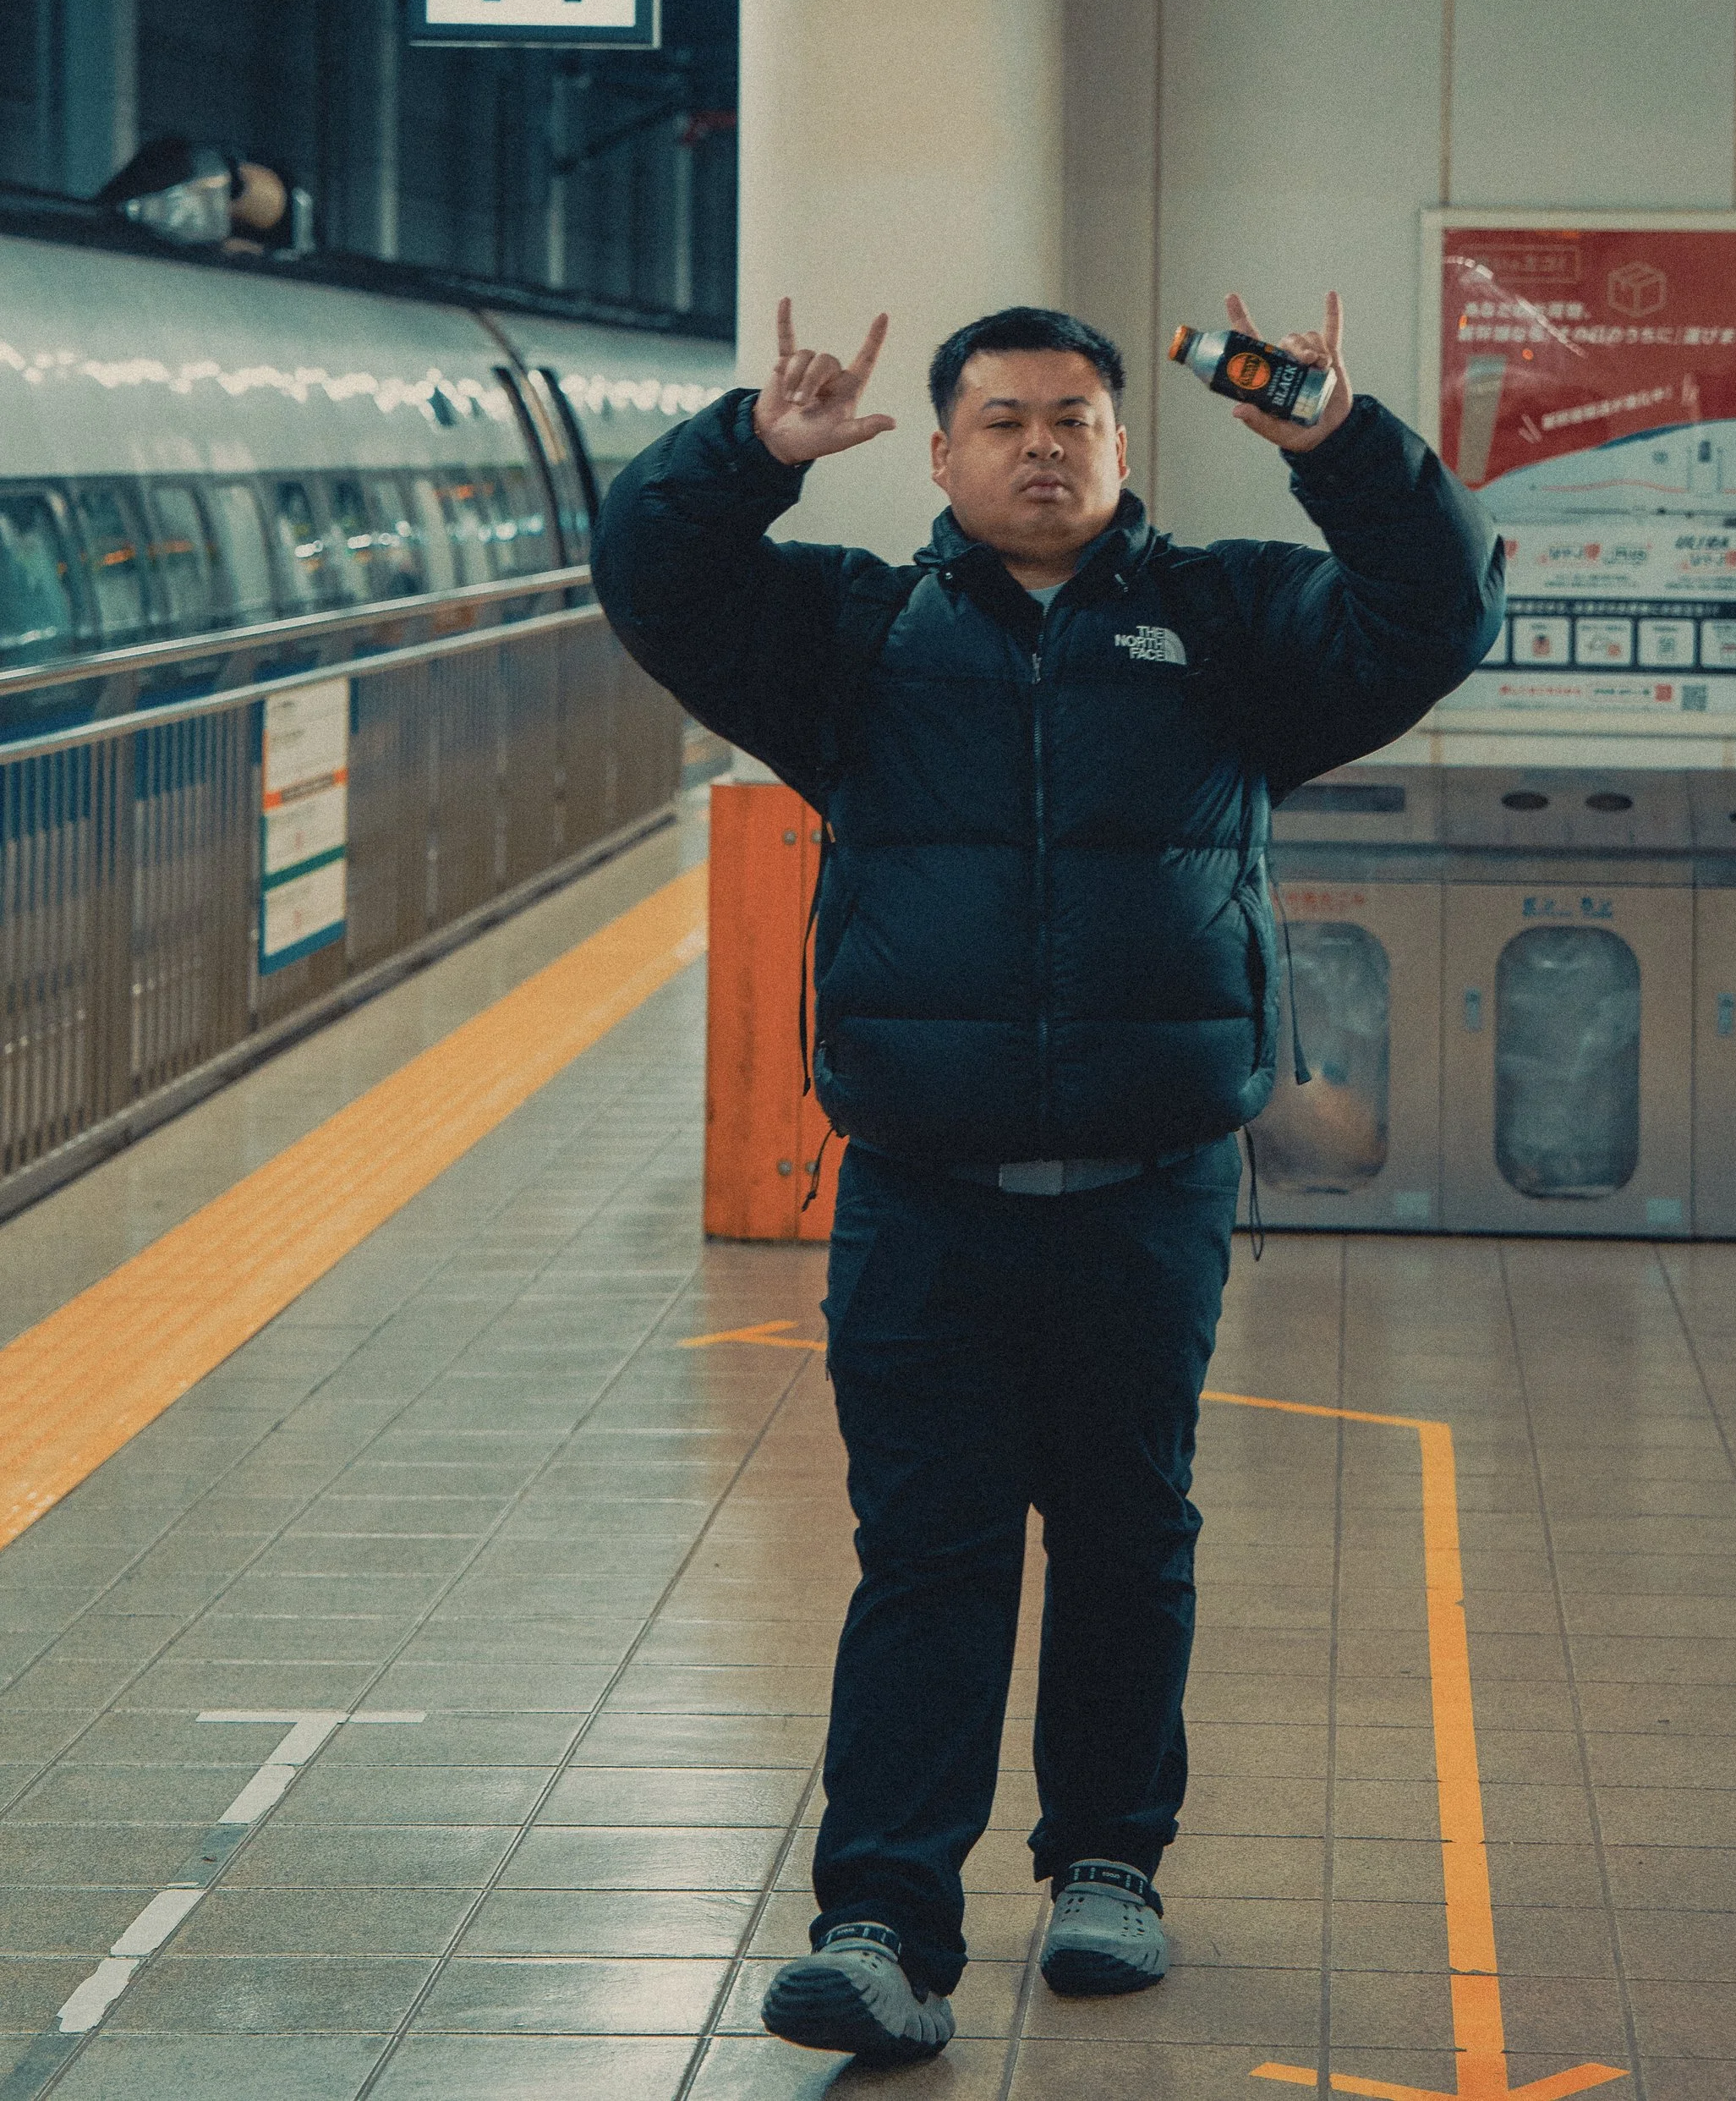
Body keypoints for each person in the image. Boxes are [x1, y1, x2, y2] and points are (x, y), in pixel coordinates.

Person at [592, 292, 1502, 2066]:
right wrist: (746, 456)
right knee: (924, 1554)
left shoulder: (1229, 623)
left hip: (1148, 1183)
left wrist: (1337, 443)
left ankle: (1107, 1867)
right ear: (936, 455)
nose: (1037, 445)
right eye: (1000, 419)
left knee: (1122, 1535)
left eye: (1070, 417)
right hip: (919, 1189)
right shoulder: (851, 639)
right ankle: (879, 1924)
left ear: (1119, 442)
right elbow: (654, 583)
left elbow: (1434, 612)